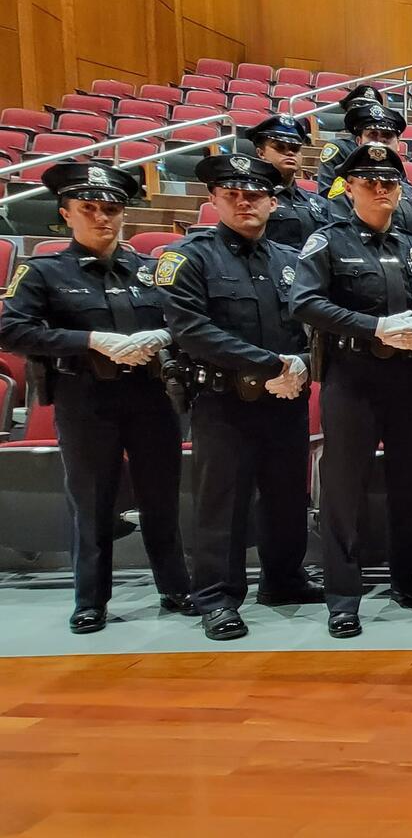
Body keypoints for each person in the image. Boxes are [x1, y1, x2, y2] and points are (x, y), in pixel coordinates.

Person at [0, 162, 193, 634]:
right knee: (91, 502)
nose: (102, 217)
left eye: (111, 208)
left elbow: (186, 324)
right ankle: (91, 599)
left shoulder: (150, 270)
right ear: (66, 214)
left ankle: (175, 587)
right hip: (85, 398)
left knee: (161, 498)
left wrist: (164, 338)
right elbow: (10, 329)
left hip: (151, 395)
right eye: (89, 208)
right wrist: (88, 341)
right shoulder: (42, 272)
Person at [156, 154, 323, 640]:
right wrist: (271, 365)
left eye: (255, 194)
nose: (245, 201)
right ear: (214, 199)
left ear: (273, 201)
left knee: (287, 497)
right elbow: (190, 330)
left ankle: (284, 579)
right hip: (223, 401)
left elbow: (309, 327)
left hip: (286, 397)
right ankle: (217, 596)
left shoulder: (290, 262)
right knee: (222, 502)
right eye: (233, 193)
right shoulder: (189, 256)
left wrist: (301, 366)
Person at [290, 142, 412, 639]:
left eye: (390, 182)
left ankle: (409, 579)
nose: (381, 190)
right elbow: (305, 302)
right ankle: (342, 594)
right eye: (370, 182)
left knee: (410, 483)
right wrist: (372, 326)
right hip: (354, 378)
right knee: (344, 490)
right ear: (350, 187)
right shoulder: (328, 241)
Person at [325, 102, 412, 235]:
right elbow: (341, 237)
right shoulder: (347, 186)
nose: (379, 141)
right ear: (359, 142)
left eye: (387, 136)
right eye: (372, 135)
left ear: (398, 144)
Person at [247, 114, 333, 249]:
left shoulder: (319, 203)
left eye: (295, 149)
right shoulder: (250, 200)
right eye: (280, 147)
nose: (290, 153)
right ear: (261, 153)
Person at [312, 84, 387, 186]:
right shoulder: (338, 149)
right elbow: (326, 190)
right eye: (360, 114)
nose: (365, 118)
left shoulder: (386, 150)